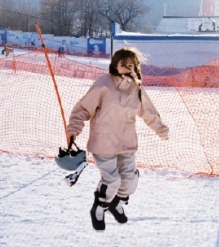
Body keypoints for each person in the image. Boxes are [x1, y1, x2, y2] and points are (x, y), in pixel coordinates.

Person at [66, 47, 169, 231]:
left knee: (129, 180)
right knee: (112, 180)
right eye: (123, 64)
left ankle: (118, 203)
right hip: (103, 142)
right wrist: (74, 129)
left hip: (126, 142)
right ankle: (100, 207)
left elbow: (149, 112)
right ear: (115, 65)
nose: (127, 68)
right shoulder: (104, 84)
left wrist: (160, 129)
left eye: (131, 65)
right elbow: (83, 108)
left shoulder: (136, 87)